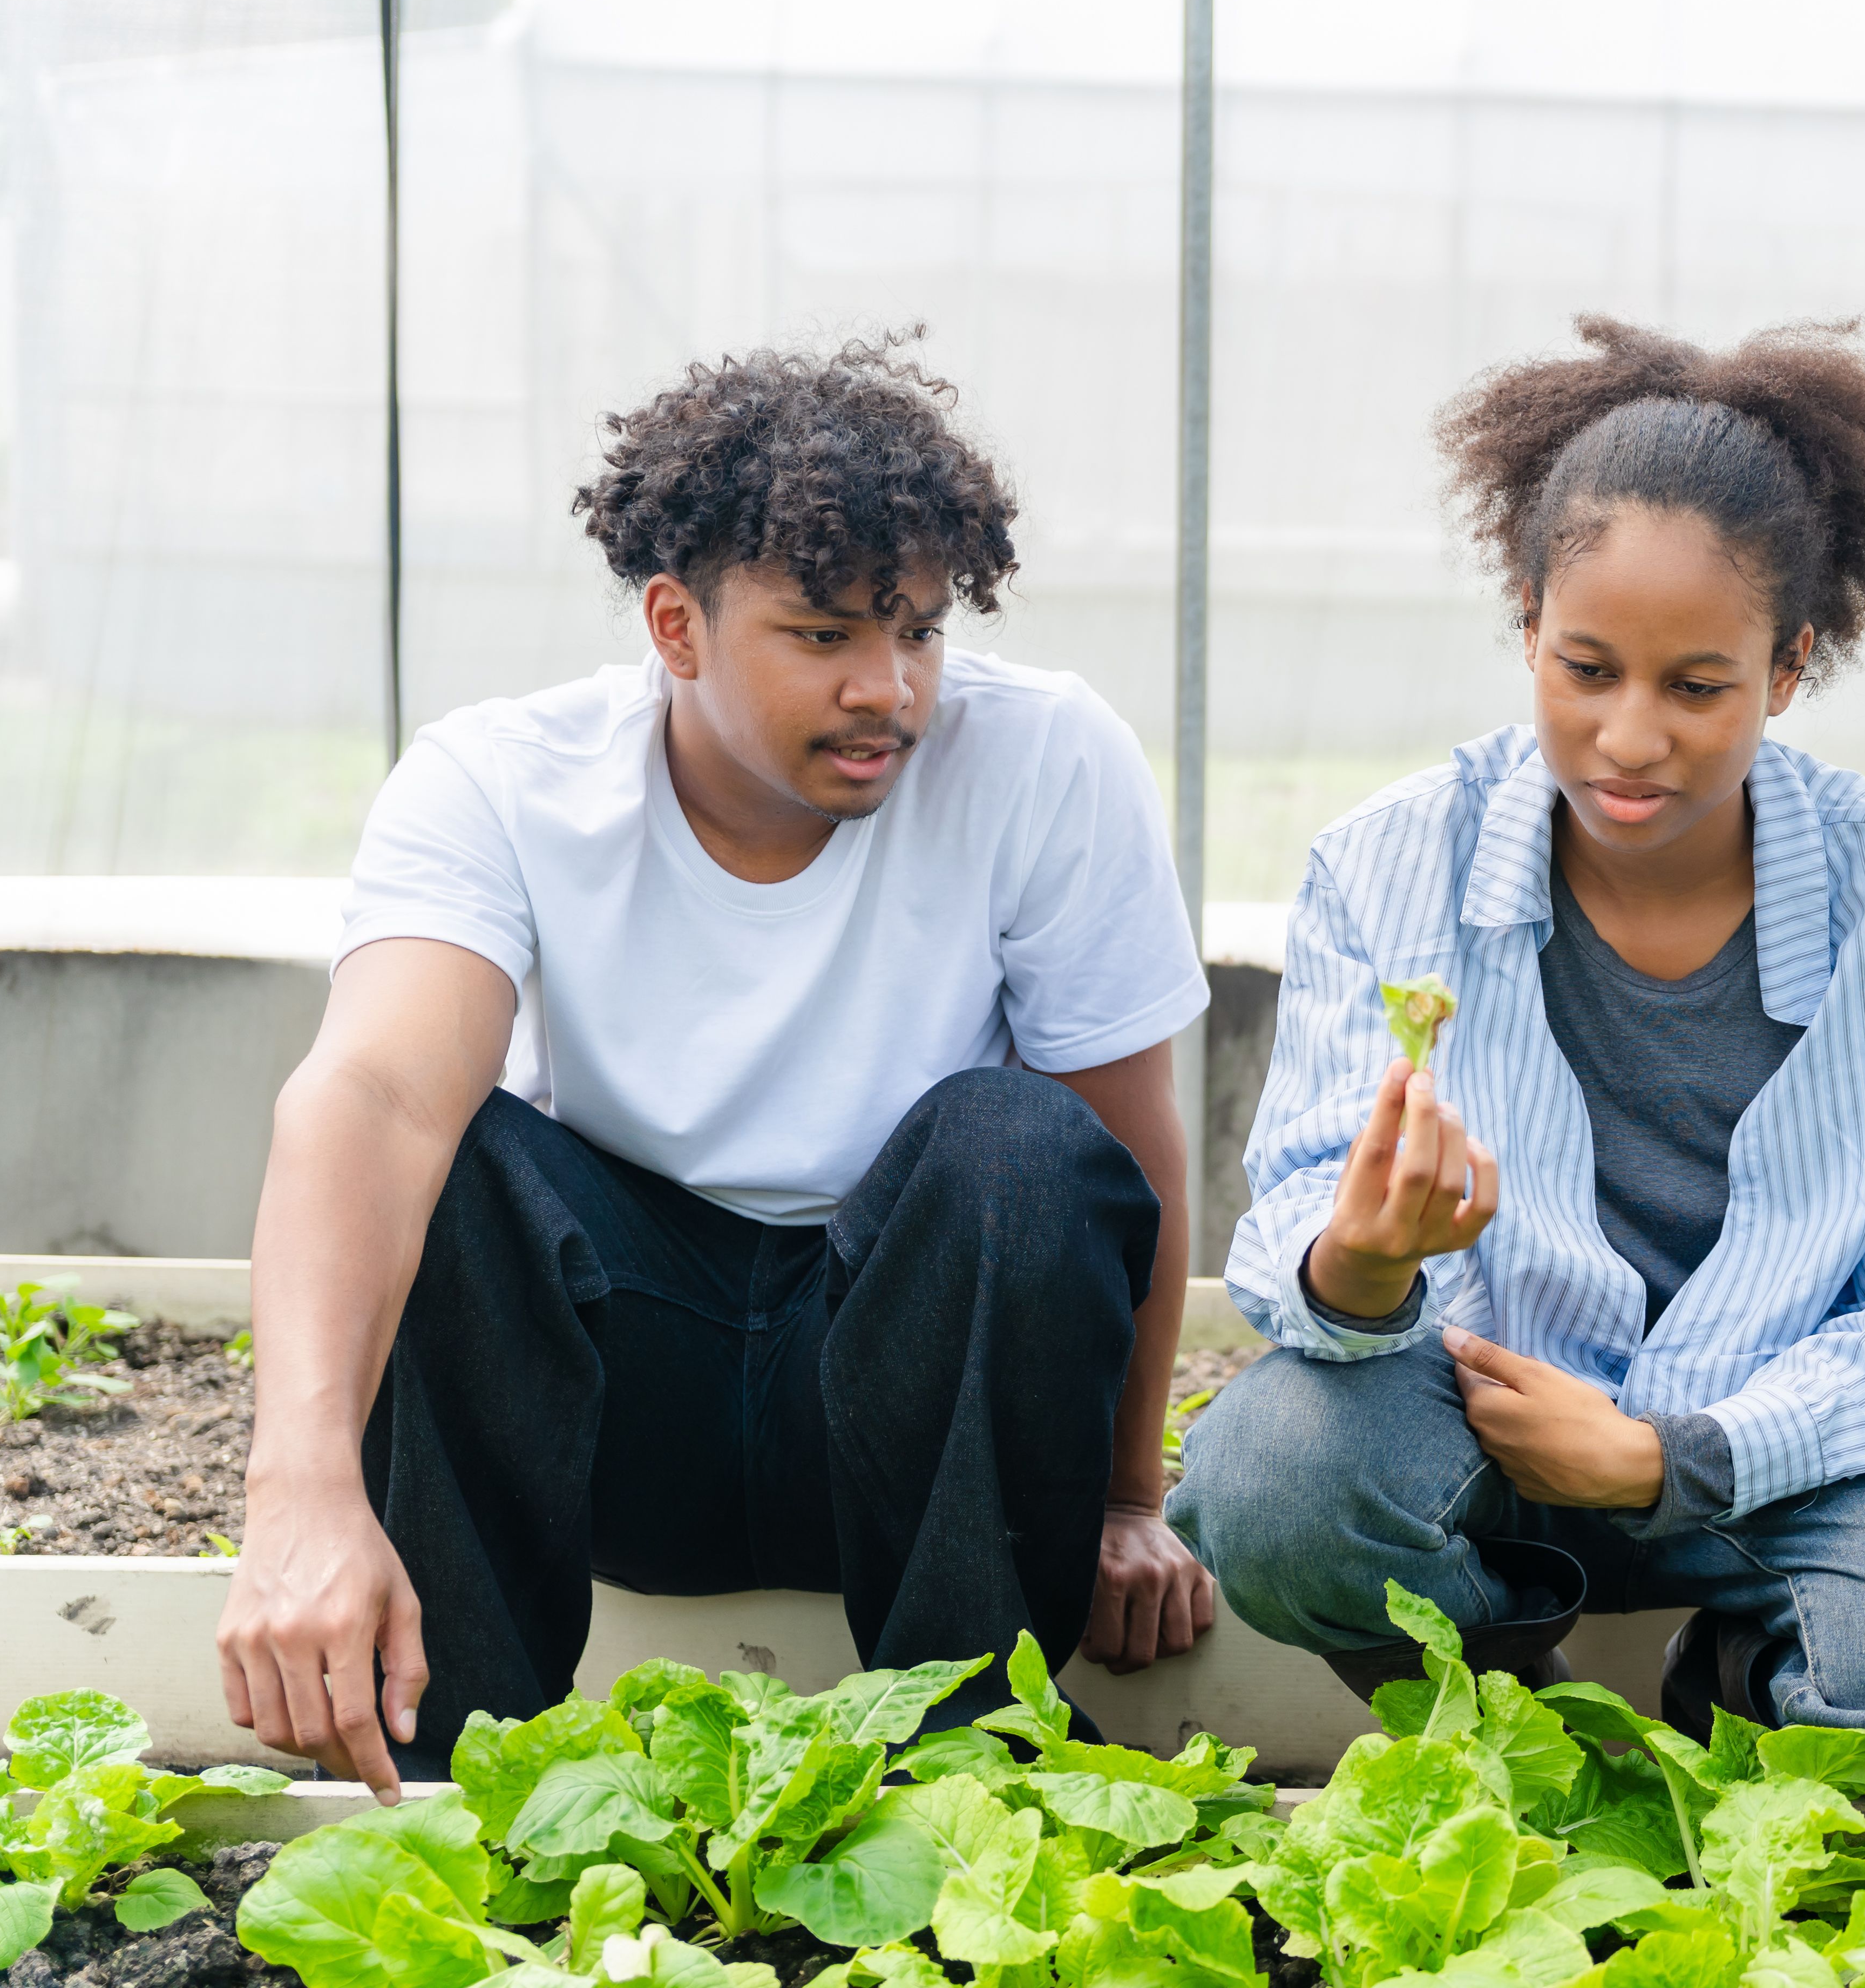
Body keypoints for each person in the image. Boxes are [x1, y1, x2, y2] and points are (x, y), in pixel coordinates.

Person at [218, 335, 1217, 1798]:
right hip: (623, 1417)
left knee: (1021, 1145)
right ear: (676, 626)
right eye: (825, 636)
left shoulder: (1049, 760)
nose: (893, 690)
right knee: (459, 1155)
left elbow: (1132, 1162)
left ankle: (962, 1794)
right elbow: (363, 1103)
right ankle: (441, 1795)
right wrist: (295, 1494)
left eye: (923, 631)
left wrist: (1131, 1496)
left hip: (910, 1431)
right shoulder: (503, 779)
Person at [1166, 315, 1865, 1808]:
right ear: (1529, 616)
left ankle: (1732, 1684)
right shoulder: (1388, 867)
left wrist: (1678, 1455)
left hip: (1784, 1447)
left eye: (1698, 687)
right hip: (1474, 1418)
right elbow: (1295, 1217)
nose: (1628, 740)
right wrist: (1362, 1263)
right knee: (1271, 1483)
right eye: (1585, 667)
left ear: (1791, 669)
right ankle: (1507, 1724)